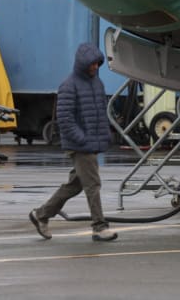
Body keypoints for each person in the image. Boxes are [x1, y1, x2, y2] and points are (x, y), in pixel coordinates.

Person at [29, 43, 117, 241]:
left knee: (75, 185)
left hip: (90, 143)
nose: (95, 67)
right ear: (82, 64)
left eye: (97, 64)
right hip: (80, 146)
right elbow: (65, 118)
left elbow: (101, 114)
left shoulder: (97, 83)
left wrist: (105, 135)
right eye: (91, 64)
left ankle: (41, 214)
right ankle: (99, 226)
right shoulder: (69, 85)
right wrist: (82, 139)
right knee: (93, 184)